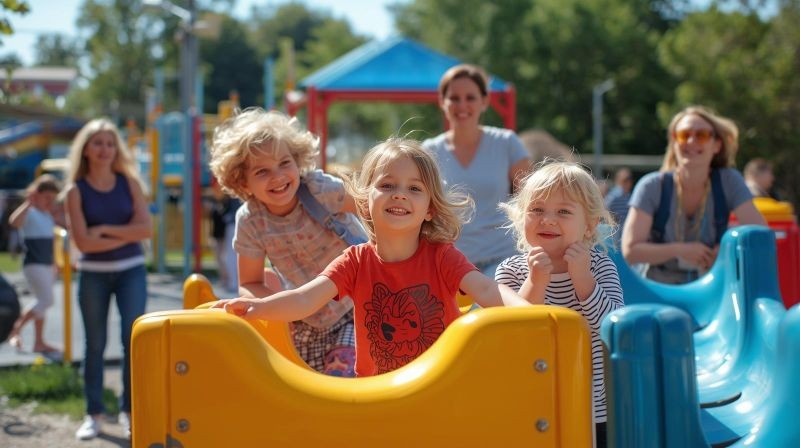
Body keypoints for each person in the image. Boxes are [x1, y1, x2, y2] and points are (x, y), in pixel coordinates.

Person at [215, 137, 530, 377]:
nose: (399, 194)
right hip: (376, 394)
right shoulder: (355, 262)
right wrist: (256, 307)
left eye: (414, 189)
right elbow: (304, 299)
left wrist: (529, 313)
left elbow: (487, 289)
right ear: (365, 203)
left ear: (430, 209)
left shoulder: (441, 257)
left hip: (437, 384)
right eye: (387, 185)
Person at [209, 108, 366, 377]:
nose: (278, 176)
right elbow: (250, 282)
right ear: (242, 182)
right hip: (306, 317)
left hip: (357, 304)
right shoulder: (251, 221)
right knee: (305, 382)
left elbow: (372, 208)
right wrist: (272, 307)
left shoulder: (318, 190)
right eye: (262, 171)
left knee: (343, 370)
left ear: (297, 160)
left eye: (284, 163)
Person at [495, 161, 624, 448]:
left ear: (590, 225)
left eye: (563, 212)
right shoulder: (511, 271)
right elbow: (514, 337)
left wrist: (583, 278)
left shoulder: (600, 266)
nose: (548, 220)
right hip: (533, 406)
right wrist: (536, 281)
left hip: (593, 407)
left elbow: (613, 329)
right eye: (537, 210)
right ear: (521, 217)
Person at [64, 118, 151, 440]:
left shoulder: (129, 182)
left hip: (132, 271)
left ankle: (130, 411)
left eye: (110, 143)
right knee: (95, 344)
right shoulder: (75, 191)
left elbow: (146, 230)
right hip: (93, 276)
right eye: (98, 143)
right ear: (85, 149)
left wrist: (103, 230)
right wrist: (125, 235)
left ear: (117, 149)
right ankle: (94, 414)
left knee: (133, 340)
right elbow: (83, 244)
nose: (104, 149)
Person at [622, 106, 766, 284]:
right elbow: (630, 251)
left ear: (717, 145)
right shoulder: (651, 186)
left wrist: (725, 250)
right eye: (684, 135)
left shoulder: (729, 182)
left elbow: (760, 234)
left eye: (701, 135)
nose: (691, 141)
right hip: (659, 290)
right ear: (674, 142)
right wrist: (679, 250)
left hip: (712, 287)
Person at [422, 64, 530, 278]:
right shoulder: (428, 151)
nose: (462, 105)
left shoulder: (507, 143)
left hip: (504, 262)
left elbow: (531, 203)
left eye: (470, 97)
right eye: (454, 98)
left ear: (485, 101)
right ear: (442, 102)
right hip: (448, 264)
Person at [6, 174, 62, 354]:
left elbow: (50, 242)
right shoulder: (30, 212)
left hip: (46, 264)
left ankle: (39, 342)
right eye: (47, 198)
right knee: (46, 300)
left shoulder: (47, 215)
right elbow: (14, 222)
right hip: (34, 263)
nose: (50, 202)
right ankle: (15, 328)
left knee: (41, 304)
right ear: (36, 194)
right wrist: (28, 203)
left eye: (52, 199)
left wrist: (55, 263)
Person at [209, 184, 240, 293]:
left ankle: (233, 283)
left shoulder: (233, 198)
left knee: (230, 257)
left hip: (233, 226)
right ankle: (232, 282)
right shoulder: (229, 199)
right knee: (230, 257)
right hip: (232, 226)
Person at [605, 167, 634, 232]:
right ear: (618, 180)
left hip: (626, 229)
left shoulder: (631, 196)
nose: (628, 182)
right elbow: (606, 212)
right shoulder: (613, 196)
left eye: (629, 179)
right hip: (616, 230)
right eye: (625, 180)